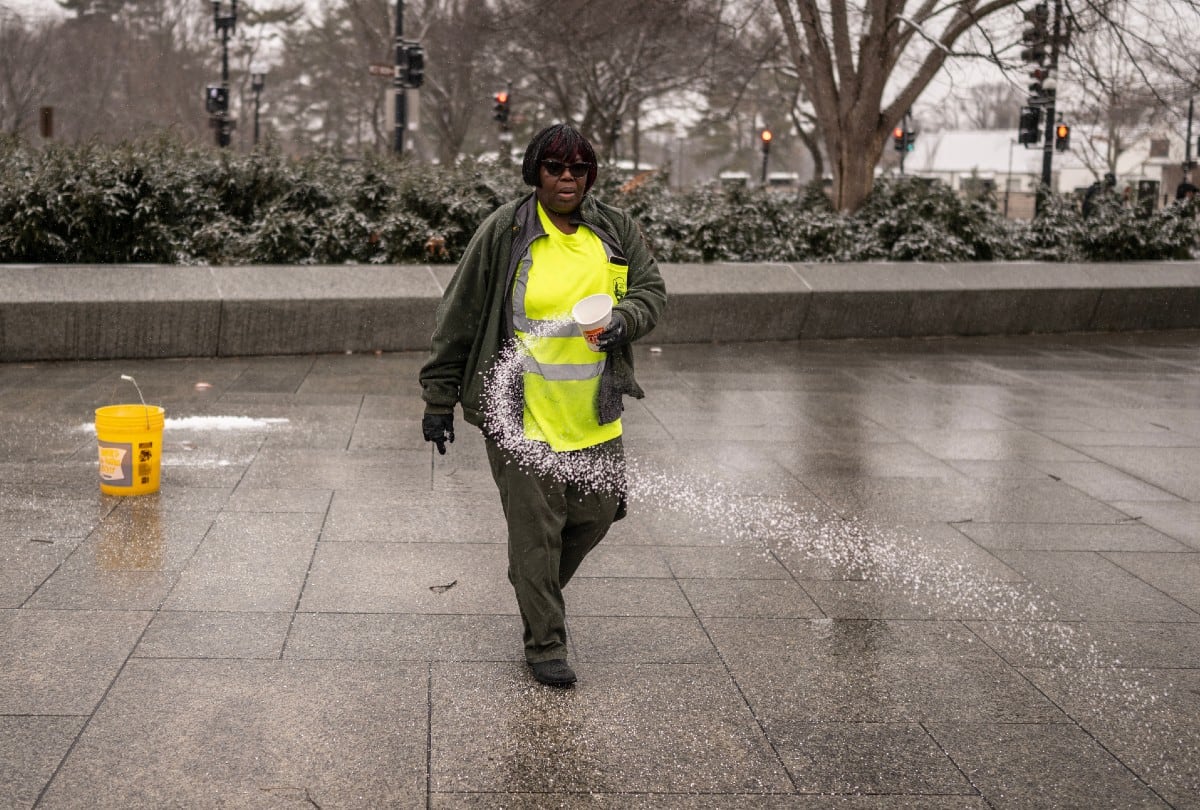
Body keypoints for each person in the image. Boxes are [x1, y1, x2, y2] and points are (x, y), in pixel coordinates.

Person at [419, 124, 667, 687]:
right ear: (537, 172)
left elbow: (651, 292)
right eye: (556, 168)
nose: (568, 178)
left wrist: (624, 320)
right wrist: (438, 397)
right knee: (537, 533)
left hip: (593, 412)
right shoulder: (505, 231)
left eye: (579, 169)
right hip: (519, 415)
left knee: (597, 515)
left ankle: (533, 581)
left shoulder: (614, 229)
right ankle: (545, 643)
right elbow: (456, 316)